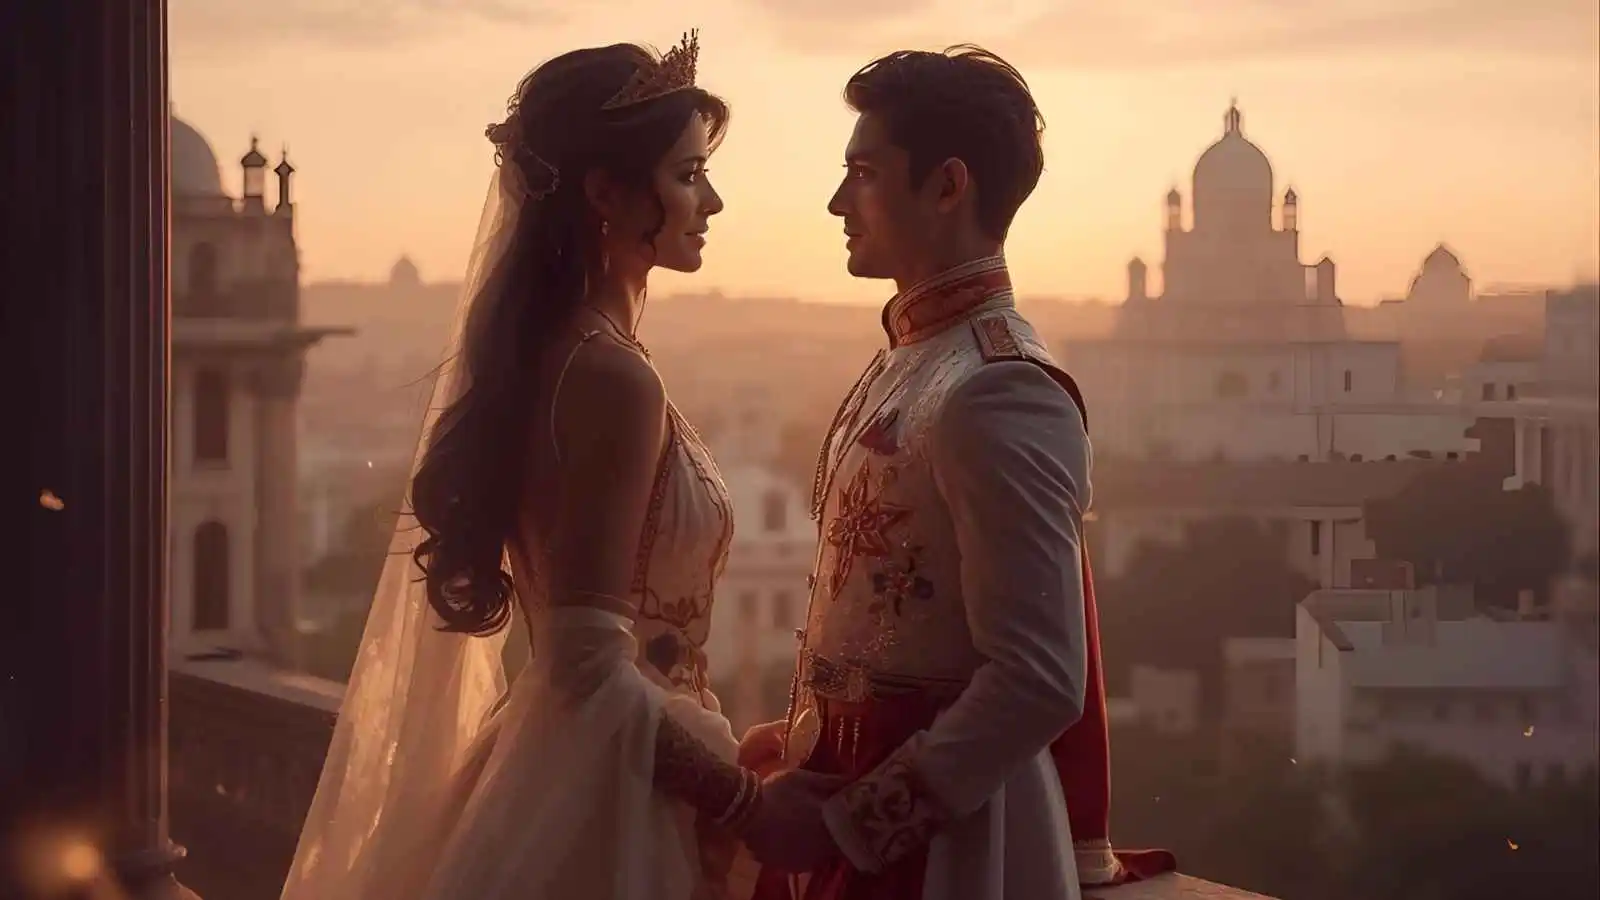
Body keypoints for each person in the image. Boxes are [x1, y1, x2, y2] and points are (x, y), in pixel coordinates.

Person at [278, 34, 835, 900]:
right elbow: (586, 663)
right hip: (613, 801)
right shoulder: (610, 374)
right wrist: (744, 805)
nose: (714, 199)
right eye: (689, 174)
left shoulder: (557, 352)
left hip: (585, 765)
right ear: (606, 192)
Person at [738, 46, 1177, 898]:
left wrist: (854, 823)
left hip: (954, 852)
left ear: (948, 186)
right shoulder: (919, 361)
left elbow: (1041, 678)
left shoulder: (999, 387)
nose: (836, 202)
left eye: (862, 172)